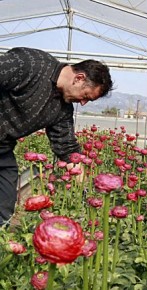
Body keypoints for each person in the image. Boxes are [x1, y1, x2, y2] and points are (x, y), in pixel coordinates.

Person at [0, 47, 113, 226]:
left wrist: (89, 195)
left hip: (3, 149)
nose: (83, 104)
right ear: (79, 78)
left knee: (5, 201)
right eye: (85, 97)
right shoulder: (31, 64)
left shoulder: (62, 110)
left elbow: (67, 149)